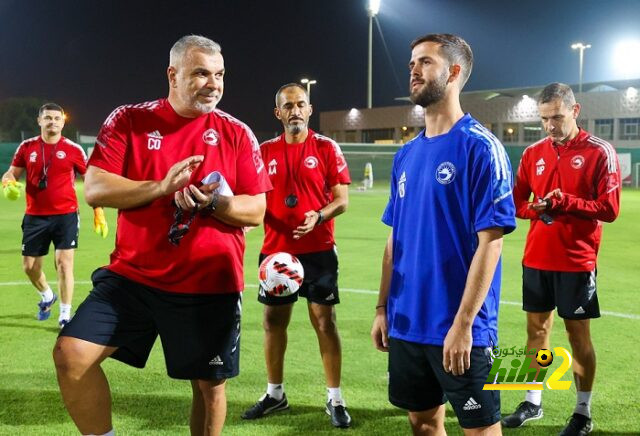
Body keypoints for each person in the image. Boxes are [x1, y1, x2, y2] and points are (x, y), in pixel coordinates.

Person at [52, 35, 271, 436]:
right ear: (173, 74)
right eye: (201, 73)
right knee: (71, 354)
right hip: (133, 278)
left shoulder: (237, 133)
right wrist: (161, 187)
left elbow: (256, 209)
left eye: (219, 75)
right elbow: (96, 189)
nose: (213, 84)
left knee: (209, 388)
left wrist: (215, 204)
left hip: (207, 284)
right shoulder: (129, 120)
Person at [370, 33, 516, 435]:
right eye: (412, 62)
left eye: (425, 62)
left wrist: (464, 324)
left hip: (460, 329)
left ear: (453, 73)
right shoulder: (406, 153)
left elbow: (492, 243)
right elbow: (393, 239)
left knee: (481, 428)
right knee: (422, 423)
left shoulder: (481, 148)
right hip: (406, 323)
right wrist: (383, 309)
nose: (413, 69)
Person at [502, 83, 620, 436]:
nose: (550, 125)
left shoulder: (600, 151)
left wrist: (564, 202)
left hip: (576, 260)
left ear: (575, 111)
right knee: (536, 333)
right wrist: (535, 209)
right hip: (536, 257)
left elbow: (610, 209)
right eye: (544, 119)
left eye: (557, 116)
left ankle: (582, 411)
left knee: (577, 335)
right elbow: (516, 201)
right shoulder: (533, 152)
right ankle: (532, 400)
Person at [241, 83, 352, 428]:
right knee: (273, 323)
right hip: (276, 255)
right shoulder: (264, 151)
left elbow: (342, 199)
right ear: (278, 113)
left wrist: (319, 215)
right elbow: (254, 198)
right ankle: (275, 394)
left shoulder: (326, 147)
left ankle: (335, 398)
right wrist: (247, 222)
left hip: (318, 251)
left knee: (324, 322)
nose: (294, 111)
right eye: (288, 106)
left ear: (309, 109)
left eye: (300, 104)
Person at [1, 103, 108, 328]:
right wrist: (8, 180)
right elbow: (13, 172)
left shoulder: (73, 149)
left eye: (57, 118)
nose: (53, 122)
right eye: (48, 118)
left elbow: (90, 181)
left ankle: (65, 315)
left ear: (63, 122)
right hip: (35, 216)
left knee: (64, 264)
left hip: (66, 215)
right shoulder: (26, 147)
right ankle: (48, 296)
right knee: (30, 267)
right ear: (39, 121)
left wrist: (98, 209)